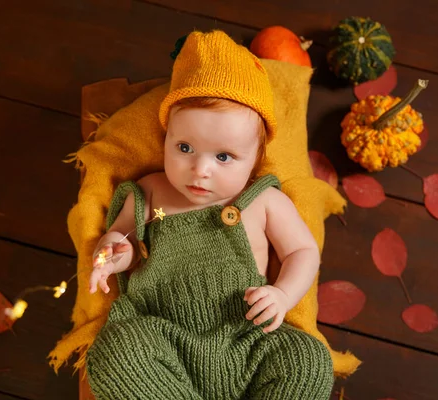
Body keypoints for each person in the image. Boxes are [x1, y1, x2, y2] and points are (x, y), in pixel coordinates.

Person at [85, 30, 334, 399]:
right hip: (163, 338)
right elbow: (124, 238)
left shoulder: (261, 200)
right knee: (116, 349)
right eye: (184, 147)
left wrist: (282, 295)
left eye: (223, 157)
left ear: (255, 159)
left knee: (307, 359)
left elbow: (302, 251)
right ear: (166, 137)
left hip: (249, 340)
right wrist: (112, 253)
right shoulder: (152, 190)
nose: (200, 169)